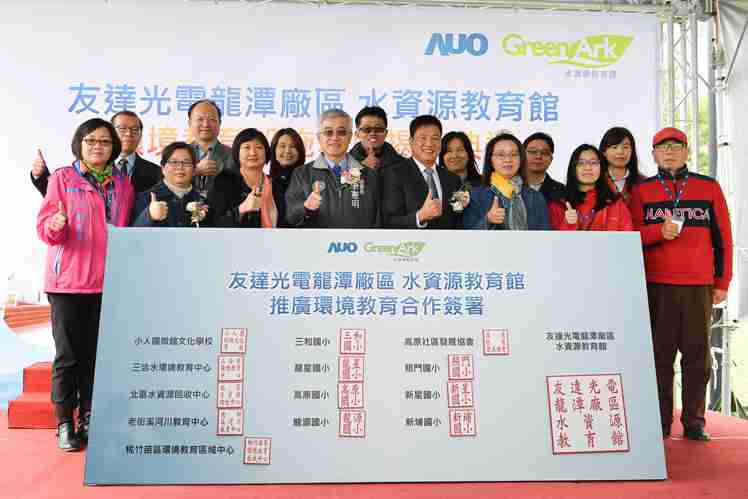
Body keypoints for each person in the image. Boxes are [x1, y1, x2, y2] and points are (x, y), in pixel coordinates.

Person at [36, 118, 134, 451]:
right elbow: (45, 229)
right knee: (68, 356)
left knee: (95, 357)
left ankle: (90, 417)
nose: (97, 146)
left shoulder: (122, 184)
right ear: (79, 144)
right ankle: (64, 422)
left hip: (107, 283)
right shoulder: (63, 178)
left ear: (114, 147)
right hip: (67, 282)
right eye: (91, 140)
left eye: (105, 141)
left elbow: (124, 230)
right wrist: (55, 224)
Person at [629, 127, 733, 441]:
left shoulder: (708, 186)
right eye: (663, 147)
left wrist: (722, 281)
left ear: (687, 152)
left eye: (676, 146)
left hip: (698, 285)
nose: (670, 152)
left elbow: (724, 240)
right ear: (653, 154)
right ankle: (659, 421)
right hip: (656, 284)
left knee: (698, 358)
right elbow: (630, 237)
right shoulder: (641, 191)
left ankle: (694, 421)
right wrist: (657, 232)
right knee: (659, 357)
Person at [30, 111, 161, 197]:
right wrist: (40, 176)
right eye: (122, 128)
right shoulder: (85, 166)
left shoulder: (157, 172)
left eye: (135, 129)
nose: (128, 133)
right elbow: (59, 198)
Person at [285, 109, 379, 228]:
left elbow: (377, 221)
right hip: (316, 240)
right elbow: (290, 217)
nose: (335, 137)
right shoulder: (302, 174)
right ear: (319, 137)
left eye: (341, 132)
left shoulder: (368, 174)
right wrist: (305, 207)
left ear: (350, 136)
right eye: (328, 132)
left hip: (359, 240)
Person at [381, 115, 468, 229]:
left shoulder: (453, 179)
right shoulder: (394, 174)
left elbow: (458, 218)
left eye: (435, 138)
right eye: (423, 138)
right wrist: (420, 216)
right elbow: (388, 221)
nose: (429, 143)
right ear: (411, 141)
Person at [463, 133, 550, 230]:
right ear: (491, 160)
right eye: (501, 155)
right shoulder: (476, 196)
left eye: (514, 154)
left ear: (521, 159)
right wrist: (488, 220)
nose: (508, 159)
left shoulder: (535, 197)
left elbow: (545, 235)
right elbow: (466, 236)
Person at [208, 128, 284, 228]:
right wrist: (241, 209)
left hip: (276, 238)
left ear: (266, 153)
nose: (253, 153)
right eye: (247, 147)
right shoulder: (224, 181)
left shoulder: (277, 185)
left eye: (258, 147)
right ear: (237, 153)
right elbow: (213, 221)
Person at [548, 144, 633, 231]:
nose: (588, 167)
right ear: (573, 168)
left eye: (593, 162)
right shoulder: (559, 204)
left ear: (601, 167)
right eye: (581, 163)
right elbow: (552, 239)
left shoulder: (616, 205)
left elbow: (628, 238)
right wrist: (569, 224)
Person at [133, 142, 211, 228]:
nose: (180, 167)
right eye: (174, 162)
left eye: (186, 162)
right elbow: (132, 233)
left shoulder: (203, 201)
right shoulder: (145, 198)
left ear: (194, 169)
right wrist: (149, 216)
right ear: (163, 168)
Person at [187, 99, 235, 197]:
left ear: (219, 123)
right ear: (190, 123)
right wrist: (195, 170)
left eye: (212, 119)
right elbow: (168, 182)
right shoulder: (178, 153)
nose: (205, 124)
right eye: (200, 119)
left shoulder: (233, 155)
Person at [267, 128, 306, 228]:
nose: (287, 151)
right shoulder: (266, 182)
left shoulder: (307, 180)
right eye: (282, 146)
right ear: (274, 151)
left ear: (300, 151)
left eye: (293, 146)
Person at [599, 126, 645, 207]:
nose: (620, 152)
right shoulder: (596, 182)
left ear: (632, 151)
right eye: (614, 147)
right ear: (604, 152)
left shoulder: (643, 182)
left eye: (625, 147)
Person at [349, 106, 404, 172]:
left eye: (378, 129)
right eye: (367, 129)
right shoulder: (343, 163)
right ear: (357, 134)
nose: (372, 133)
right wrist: (361, 167)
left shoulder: (403, 164)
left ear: (386, 133)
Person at [522, 132, 565, 203]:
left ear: (551, 159)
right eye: (533, 151)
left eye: (544, 153)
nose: (538, 156)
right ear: (522, 155)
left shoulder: (563, 191)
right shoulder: (510, 186)